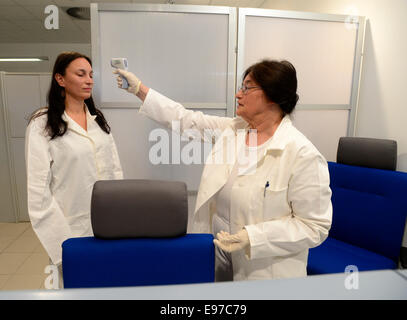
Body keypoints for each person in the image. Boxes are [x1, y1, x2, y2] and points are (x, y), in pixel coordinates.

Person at [114, 59, 332, 281]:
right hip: (219, 252)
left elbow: (314, 226)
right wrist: (139, 89)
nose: (238, 94)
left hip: (264, 269)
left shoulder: (302, 154)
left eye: (247, 88)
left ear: (273, 95)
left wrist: (253, 237)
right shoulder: (234, 130)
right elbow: (186, 119)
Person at [25, 52, 123, 281]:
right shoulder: (42, 124)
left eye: (91, 75)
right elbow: (38, 194)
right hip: (69, 229)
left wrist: (120, 220)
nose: (89, 80)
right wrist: (63, 248)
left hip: (108, 227)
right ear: (60, 79)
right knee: (75, 289)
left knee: (108, 287)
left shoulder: (98, 121)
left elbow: (115, 172)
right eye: (80, 74)